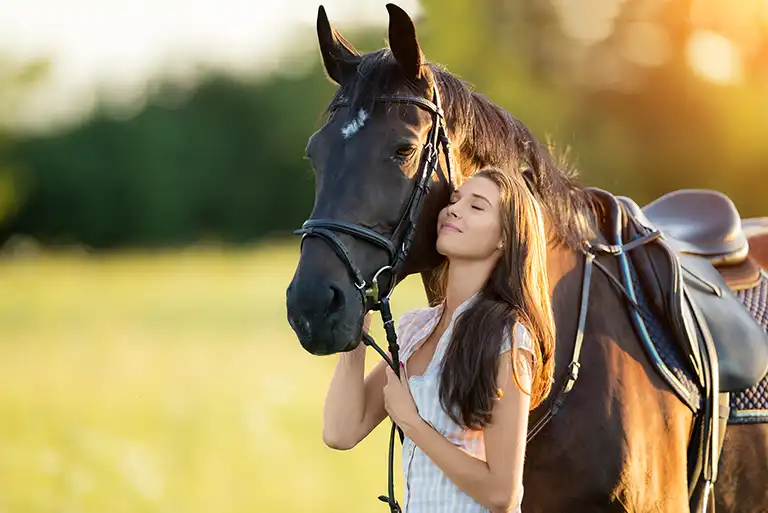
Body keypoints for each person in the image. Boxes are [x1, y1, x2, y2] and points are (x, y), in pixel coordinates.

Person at [322, 167, 556, 512]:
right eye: (455, 200)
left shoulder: (507, 336)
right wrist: (355, 340)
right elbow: (340, 432)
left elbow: (502, 495)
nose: (454, 210)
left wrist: (413, 424)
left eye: (477, 207)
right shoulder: (414, 329)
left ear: (506, 237)